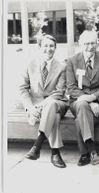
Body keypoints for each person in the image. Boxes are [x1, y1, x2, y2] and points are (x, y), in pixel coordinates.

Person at [66, 30, 99, 166]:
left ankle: (84, 153)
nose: (90, 46)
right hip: (78, 103)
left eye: (93, 43)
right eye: (87, 43)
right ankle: (92, 148)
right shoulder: (72, 61)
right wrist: (89, 102)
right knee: (82, 106)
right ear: (81, 44)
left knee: (79, 120)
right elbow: (71, 87)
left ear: (97, 43)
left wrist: (92, 98)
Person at [19, 34, 68, 168]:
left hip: (58, 103)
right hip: (36, 107)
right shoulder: (30, 64)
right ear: (40, 47)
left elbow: (59, 92)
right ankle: (55, 153)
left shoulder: (62, 66)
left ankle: (37, 145)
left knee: (52, 105)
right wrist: (30, 108)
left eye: (52, 46)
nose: (49, 49)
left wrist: (41, 106)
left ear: (55, 48)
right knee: (55, 117)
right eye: (45, 45)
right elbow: (23, 89)